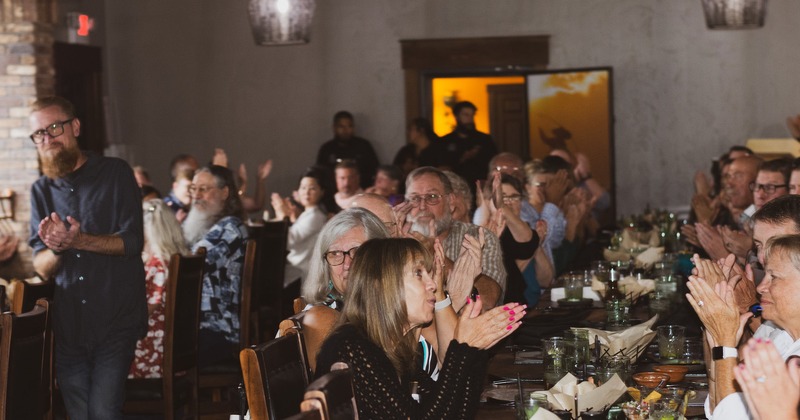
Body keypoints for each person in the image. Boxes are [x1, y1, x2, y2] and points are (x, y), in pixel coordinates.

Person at [28, 96, 146, 419]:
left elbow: (132, 242)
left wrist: (79, 240)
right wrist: (57, 247)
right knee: (79, 415)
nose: (47, 139)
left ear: (75, 127)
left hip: (115, 318)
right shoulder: (40, 190)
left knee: (103, 412)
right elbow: (40, 266)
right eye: (39, 134)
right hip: (69, 327)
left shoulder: (116, 173)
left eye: (54, 127)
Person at [315, 237, 524, 419]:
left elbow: (455, 413)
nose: (433, 284)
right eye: (418, 273)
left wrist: (475, 352)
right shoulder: (353, 348)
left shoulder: (398, 346)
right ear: (381, 285)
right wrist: (461, 350)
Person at [690, 234, 800, 419]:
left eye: (774, 277)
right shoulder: (784, 338)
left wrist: (724, 342)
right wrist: (715, 322)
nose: (760, 287)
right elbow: (719, 408)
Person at [397, 166, 507, 307]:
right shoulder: (396, 240)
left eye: (432, 197)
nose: (422, 206)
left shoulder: (477, 236)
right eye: (415, 198)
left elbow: (488, 300)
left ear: (451, 202)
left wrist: (433, 253)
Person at [182, 165, 249, 367]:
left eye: (204, 188)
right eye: (194, 189)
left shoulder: (231, 227)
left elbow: (189, 265)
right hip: (195, 327)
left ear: (225, 192)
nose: (197, 195)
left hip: (215, 330)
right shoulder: (202, 226)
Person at [129, 198, 188, 378]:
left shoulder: (158, 265)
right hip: (174, 345)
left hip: (153, 351)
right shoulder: (176, 259)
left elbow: (146, 311)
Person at [302, 208, 390, 309]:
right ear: (325, 265)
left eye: (357, 252)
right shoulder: (321, 317)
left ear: (382, 255)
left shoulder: (402, 302)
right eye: (335, 253)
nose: (347, 265)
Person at [272, 169, 329, 288]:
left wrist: (282, 214)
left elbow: (288, 242)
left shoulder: (316, 216)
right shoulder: (307, 213)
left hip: (301, 272)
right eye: (303, 188)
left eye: (312, 188)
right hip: (295, 267)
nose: (306, 192)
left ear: (322, 192)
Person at [440, 101, 498, 192]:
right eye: (466, 115)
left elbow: (493, 162)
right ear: (457, 117)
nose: (470, 119)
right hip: (455, 189)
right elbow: (442, 167)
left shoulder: (484, 139)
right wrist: (462, 158)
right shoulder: (445, 141)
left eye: (472, 115)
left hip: (480, 189)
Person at [316, 111, 380, 189]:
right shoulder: (327, 149)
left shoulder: (363, 146)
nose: (345, 130)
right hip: (332, 194)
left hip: (361, 192)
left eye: (349, 126)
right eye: (341, 126)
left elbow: (375, 171)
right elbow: (320, 175)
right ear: (334, 127)